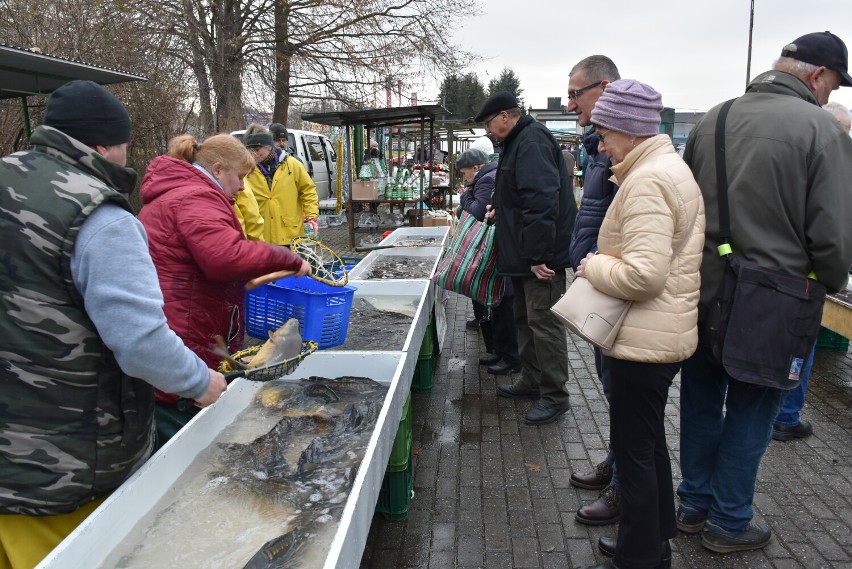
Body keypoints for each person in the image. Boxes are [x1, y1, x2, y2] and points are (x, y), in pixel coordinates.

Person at [0, 80, 227, 568]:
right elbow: (140, 339)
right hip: (64, 465)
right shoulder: (99, 214)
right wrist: (199, 381)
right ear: (106, 144)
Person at [678, 31, 852, 554]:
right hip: (775, 299)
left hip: (705, 291)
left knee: (701, 399)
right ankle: (730, 522)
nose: (831, 96)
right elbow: (833, 236)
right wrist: (831, 281)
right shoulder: (822, 130)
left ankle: (693, 505)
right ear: (819, 76)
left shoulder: (715, 117)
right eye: (835, 84)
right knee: (754, 407)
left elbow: (684, 207)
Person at [575, 79, 705, 569]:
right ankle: (655, 539)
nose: (601, 143)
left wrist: (592, 266)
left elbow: (644, 275)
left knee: (636, 454)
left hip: (641, 338)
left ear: (629, 130)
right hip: (657, 333)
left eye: (605, 132)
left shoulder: (649, 180)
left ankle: (640, 555)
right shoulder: (665, 169)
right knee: (647, 446)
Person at [138, 133, 311, 444]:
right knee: (188, 437)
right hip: (186, 330)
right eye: (241, 177)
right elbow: (224, 256)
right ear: (217, 170)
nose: (243, 187)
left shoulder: (181, 193)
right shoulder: (193, 197)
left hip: (184, 326)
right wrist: (287, 258)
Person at [474, 91, 578, 426]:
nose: (490, 131)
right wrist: (497, 209)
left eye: (490, 124)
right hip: (522, 254)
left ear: (505, 115)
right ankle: (532, 381)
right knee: (525, 320)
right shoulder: (517, 141)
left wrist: (537, 255)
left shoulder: (530, 142)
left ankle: (555, 396)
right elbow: (518, 195)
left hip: (539, 258)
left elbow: (542, 202)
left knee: (544, 324)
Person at [563, 55, 625, 528]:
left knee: (625, 393)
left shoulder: (625, 152)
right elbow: (592, 212)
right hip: (597, 277)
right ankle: (615, 463)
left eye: (575, 93)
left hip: (614, 284)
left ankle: (626, 485)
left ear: (603, 88)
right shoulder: (597, 148)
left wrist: (594, 263)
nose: (569, 104)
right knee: (609, 385)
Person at [772, 99, 851, 443]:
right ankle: (786, 417)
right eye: (844, 132)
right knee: (800, 350)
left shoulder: (795, 159)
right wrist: (836, 277)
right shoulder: (826, 165)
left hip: (778, 273)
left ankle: (777, 413)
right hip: (805, 278)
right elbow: (831, 231)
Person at [456, 147, 521, 375]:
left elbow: (475, 211)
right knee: (500, 305)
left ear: (475, 168)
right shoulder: (489, 177)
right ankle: (502, 353)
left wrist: (465, 193)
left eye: (465, 174)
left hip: (501, 250)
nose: (464, 179)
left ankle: (510, 357)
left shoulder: (485, 181)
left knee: (504, 305)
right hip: (502, 249)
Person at [244, 124, 320, 244]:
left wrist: (311, 216)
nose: (253, 154)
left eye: (257, 150)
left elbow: (308, 190)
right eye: (250, 150)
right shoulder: (246, 170)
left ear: (269, 147)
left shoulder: (293, 164)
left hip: (290, 234)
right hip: (261, 236)